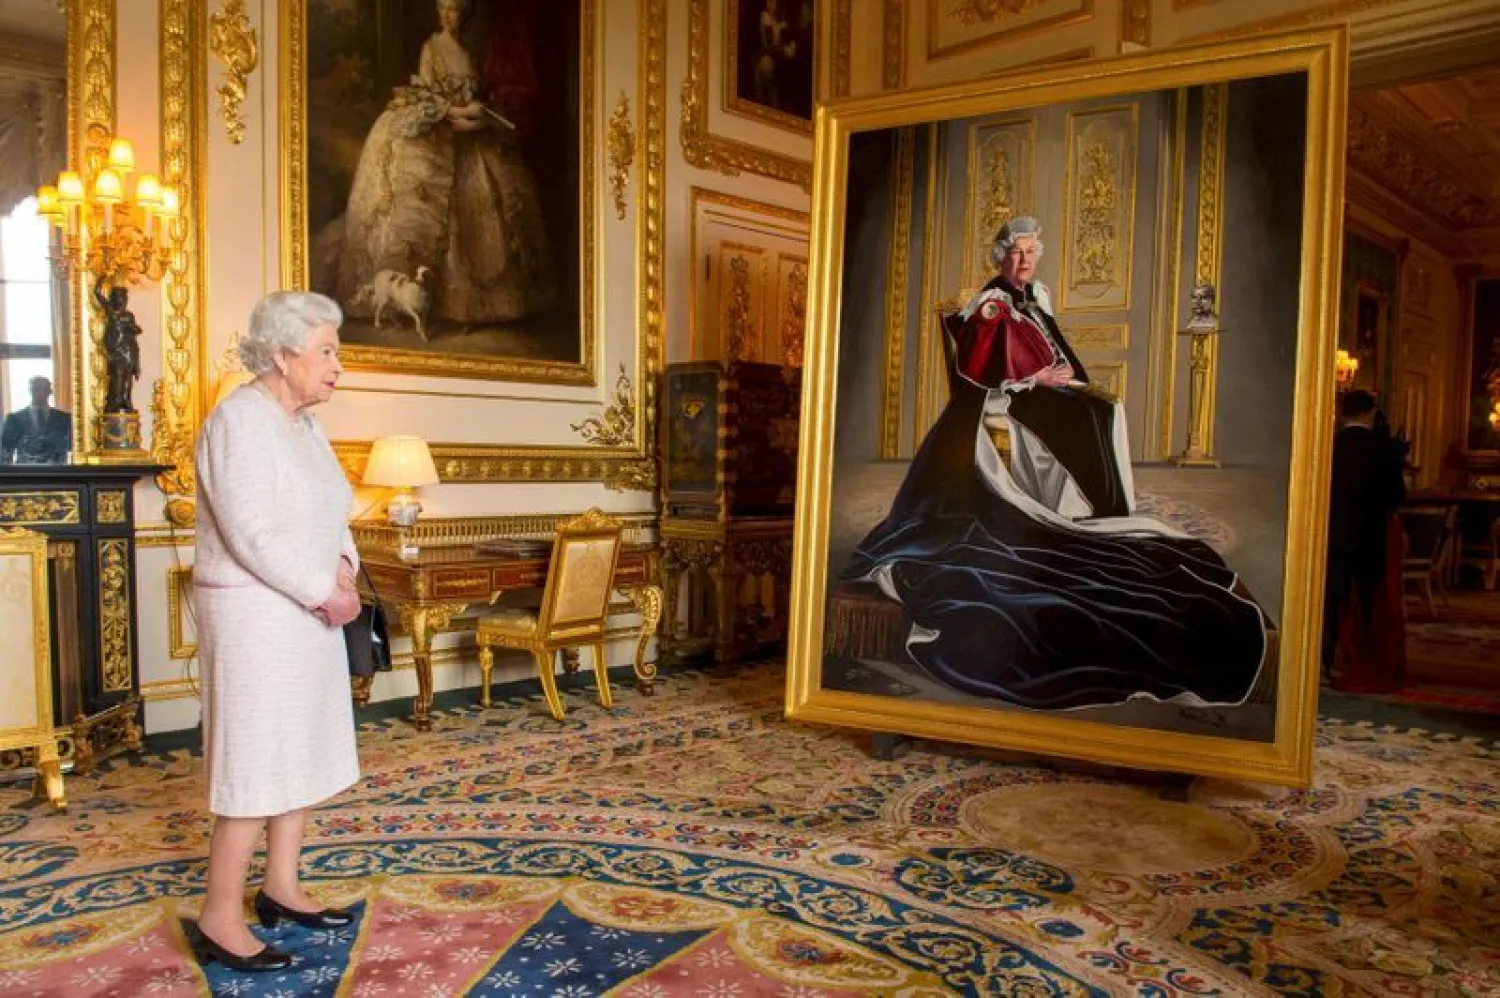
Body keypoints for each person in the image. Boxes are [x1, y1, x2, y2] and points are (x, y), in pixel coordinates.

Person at [841, 216, 1267, 711]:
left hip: (1037, 390)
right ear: (1000, 256)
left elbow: (1055, 350)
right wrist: (1038, 377)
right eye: (1015, 253)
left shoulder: (1033, 298)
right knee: (1087, 416)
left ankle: (1094, 505)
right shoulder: (994, 302)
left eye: (1030, 253)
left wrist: (1061, 373)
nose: (1023, 261)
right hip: (999, 400)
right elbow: (979, 366)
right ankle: (1075, 501)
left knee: (1101, 407)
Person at [190, 291, 363, 972]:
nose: (337, 366)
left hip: (307, 613)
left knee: (295, 752)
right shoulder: (238, 420)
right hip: (257, 618)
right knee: (255, 763)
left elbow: (334, 507)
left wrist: (344, 568)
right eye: (326, 351)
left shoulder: (304, 426)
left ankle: (283, 885)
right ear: (283, 353)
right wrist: (326, 591)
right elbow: (250, 532)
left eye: (336, 352)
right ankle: (218, 914)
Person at [333, 0, 556, 330]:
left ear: (465, 15)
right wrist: (458, 113)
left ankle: (470, 306)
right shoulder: (431, 47)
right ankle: (411, 301)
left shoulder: (468, 52)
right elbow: (429, 97)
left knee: (479, 209)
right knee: (428, 208)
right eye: (445, 10)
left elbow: (472, 93)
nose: (450, 17)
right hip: (438, 132)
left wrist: (477, 114)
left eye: (456, 11)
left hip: (468, 139)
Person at [1324, 389, 1407, 689]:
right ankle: (1364, 660)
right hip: (1370, 537)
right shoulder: (1384, 449)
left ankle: (1323, 662)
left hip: (1331, 535)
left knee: (1330, 601)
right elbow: (1396, 497)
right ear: (1370, 412)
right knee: (1367, 604)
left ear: (1342, 412)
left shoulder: (1327, 446)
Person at [1, 376, 71, 464]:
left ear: (50, 391)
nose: (40, 392)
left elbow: (73, 447)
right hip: (25, 472)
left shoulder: (65, 418)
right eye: (36, 388)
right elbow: (6, 450)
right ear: (30, 390)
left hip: (57, 472)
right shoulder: (14, 419)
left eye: (44, 388)